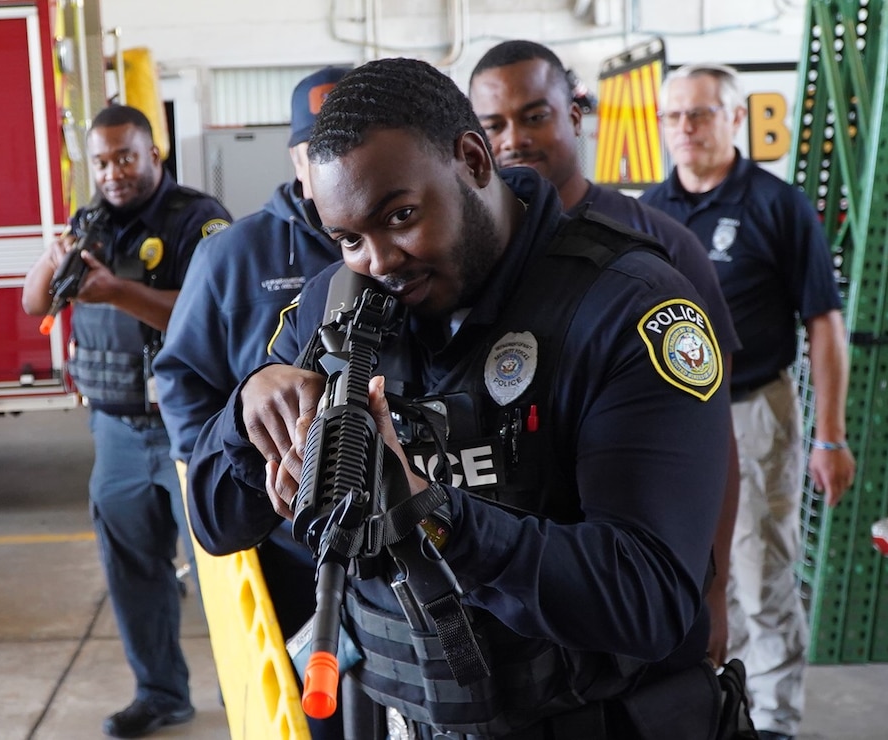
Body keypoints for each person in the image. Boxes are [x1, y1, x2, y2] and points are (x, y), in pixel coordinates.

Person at [186, 57, 734, 739]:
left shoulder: (626, 308)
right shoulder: (333, 308)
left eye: (402, 216)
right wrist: (249, 413)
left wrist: (434, 514)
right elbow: (216, 523)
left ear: (473, 160)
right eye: (349, 238)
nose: (379, 261)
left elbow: (648, 603)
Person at [467, 39, 743, 666]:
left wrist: (714, 590)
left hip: (631, 606)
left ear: (575, 114)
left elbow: (714, 436)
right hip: (515, 624)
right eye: (493, 125)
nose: (513, 139)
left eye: (535, 115)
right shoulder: (467, 261)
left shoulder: (660, 253)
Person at [640, 63, 856, 740]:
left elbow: (823, 322)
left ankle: (776, 723)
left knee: (761, 577)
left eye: (699, 114)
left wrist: (829, 436)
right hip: (675, 423)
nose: (683, 129)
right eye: (671, 116)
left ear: (735, 118)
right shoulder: (649, 209)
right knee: (699, 577)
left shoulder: (776, 204)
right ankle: (720, 715)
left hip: (756, 411)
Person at [151, 65, 350, 740]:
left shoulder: (406, 248)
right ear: (294, 155)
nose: (334, 163)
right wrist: (233, 465)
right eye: (317, 148)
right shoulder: (234, 256)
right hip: (285, 545)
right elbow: (181, 384)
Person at [21, 104, 232, 738]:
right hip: (114, 432)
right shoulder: (87, 224)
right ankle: (161, 693)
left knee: (225, 574)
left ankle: (261, 690)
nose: (113, 172)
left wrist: (116, 292)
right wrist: (51, 257)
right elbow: (35, 303)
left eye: (126, 157)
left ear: (153, 155)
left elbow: (213, 319)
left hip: (189, 429)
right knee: (133, 569)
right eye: (101, 161)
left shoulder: (198, 219)